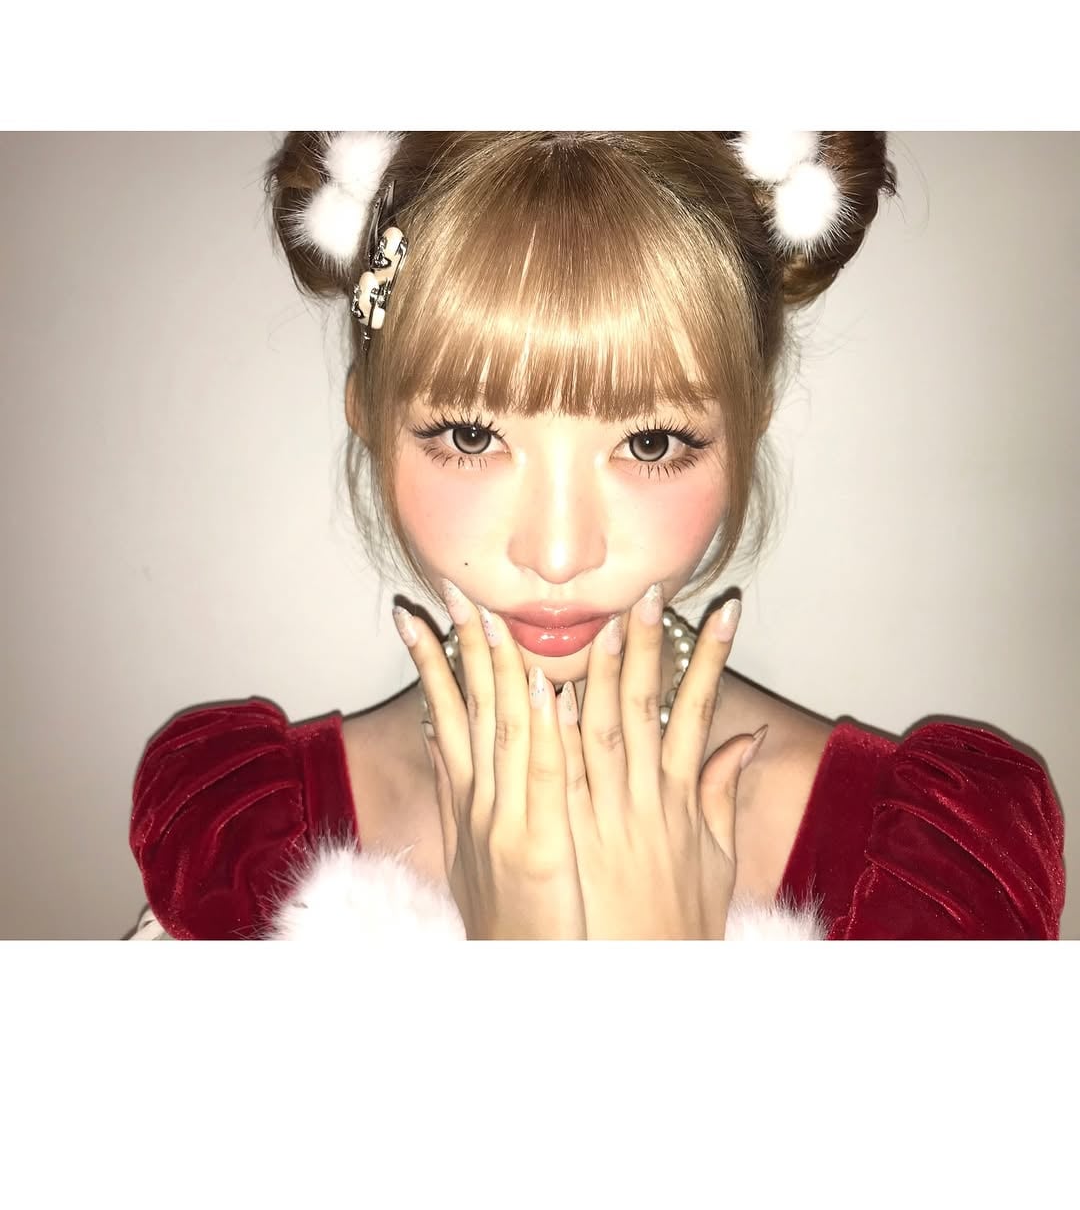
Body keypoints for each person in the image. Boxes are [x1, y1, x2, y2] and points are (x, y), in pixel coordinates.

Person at [126, 131, 1065, 941]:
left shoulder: (922, 873)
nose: (559, 553)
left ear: (749, 425)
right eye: (470, 436)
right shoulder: (244, 855)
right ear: (367, 417)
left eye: (650, 442)